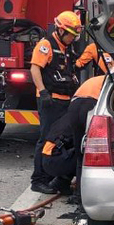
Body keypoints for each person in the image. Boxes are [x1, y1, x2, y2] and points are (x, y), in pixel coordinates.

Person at [30, 10, 82, 194]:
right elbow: (35, 68)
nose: (73, 39)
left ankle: (55, 177)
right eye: (71, 35)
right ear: (61, 30)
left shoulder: (68, 48)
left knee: (61, 138)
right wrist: (43, 93)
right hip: (51, 100)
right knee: (46, 139)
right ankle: (38, 179)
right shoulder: (46, 45)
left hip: (65, 101)